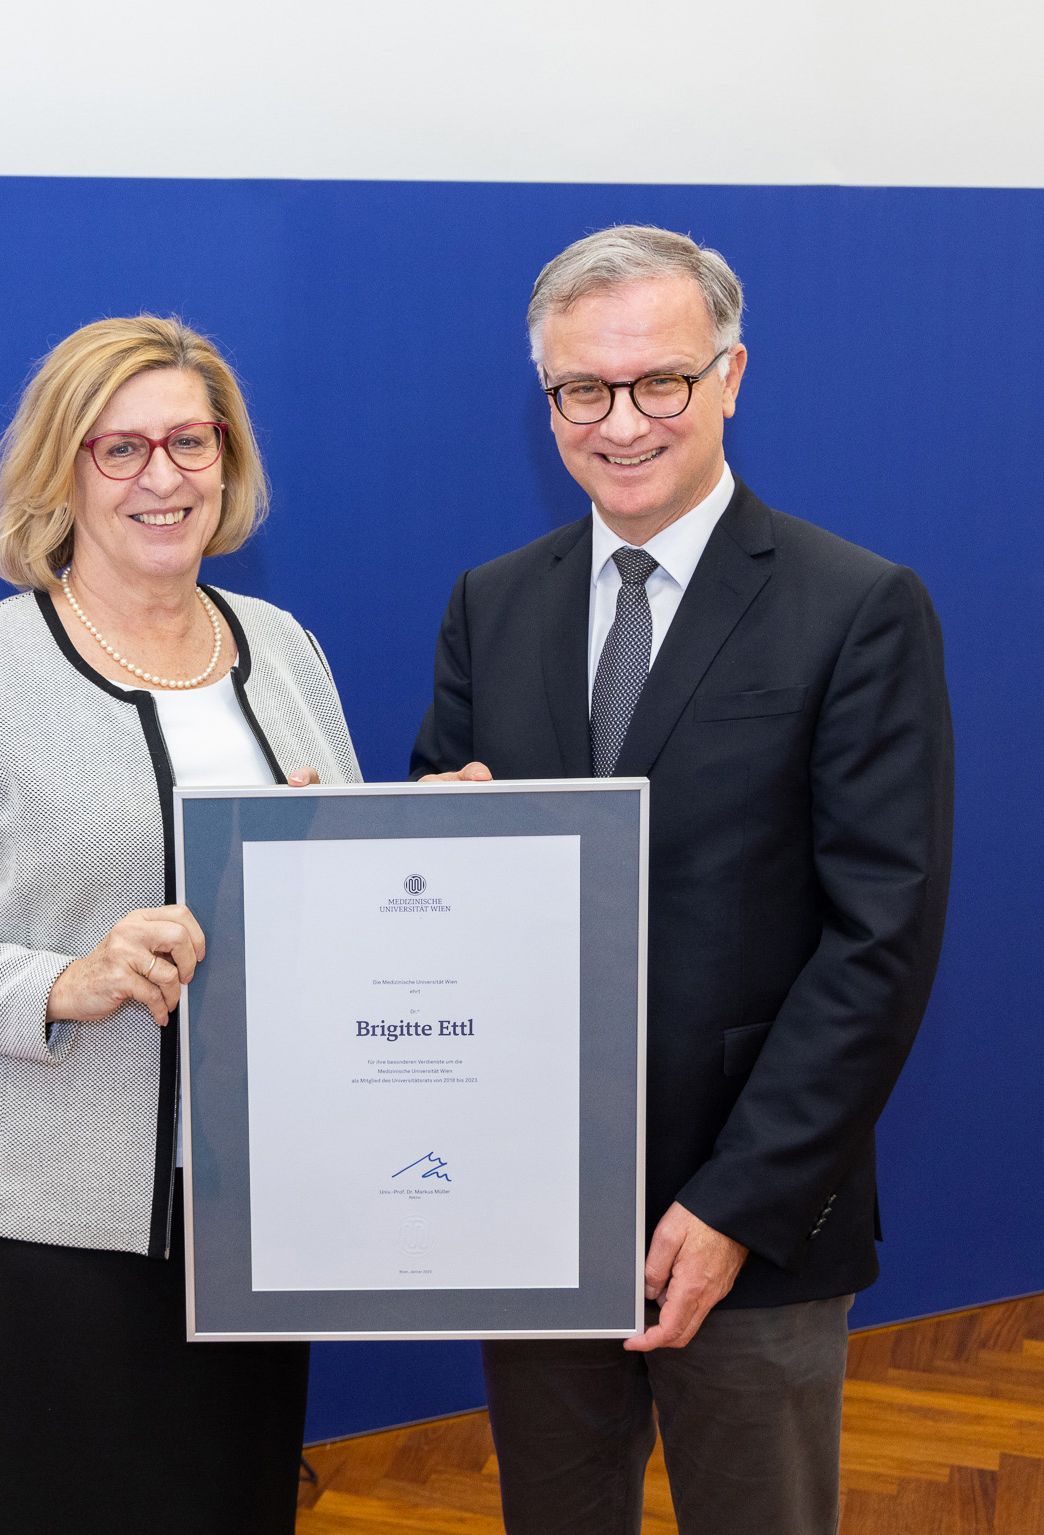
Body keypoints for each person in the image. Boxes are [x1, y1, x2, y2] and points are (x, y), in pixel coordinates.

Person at [410, 226, 954, 1533]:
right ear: (546, 398)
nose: (621, 421)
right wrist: (427, 850)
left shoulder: (856, 605)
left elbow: (879, 940)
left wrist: (733, 1202)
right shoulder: (492, 602)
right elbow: (439, 867)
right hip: (532, 1209)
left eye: (659, 379)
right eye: (582, 389)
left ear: (730, 376)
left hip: (751, 1216)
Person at [0, 314, 360, 1534]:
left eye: (189, 440)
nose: (161, 476)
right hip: (40, 1235)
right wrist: (62, 981)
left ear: (226, 458)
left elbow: (329, 893)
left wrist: (412, 856)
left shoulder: (282, 648)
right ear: (59, 472)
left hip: (251, 1213)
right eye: (119, 448)